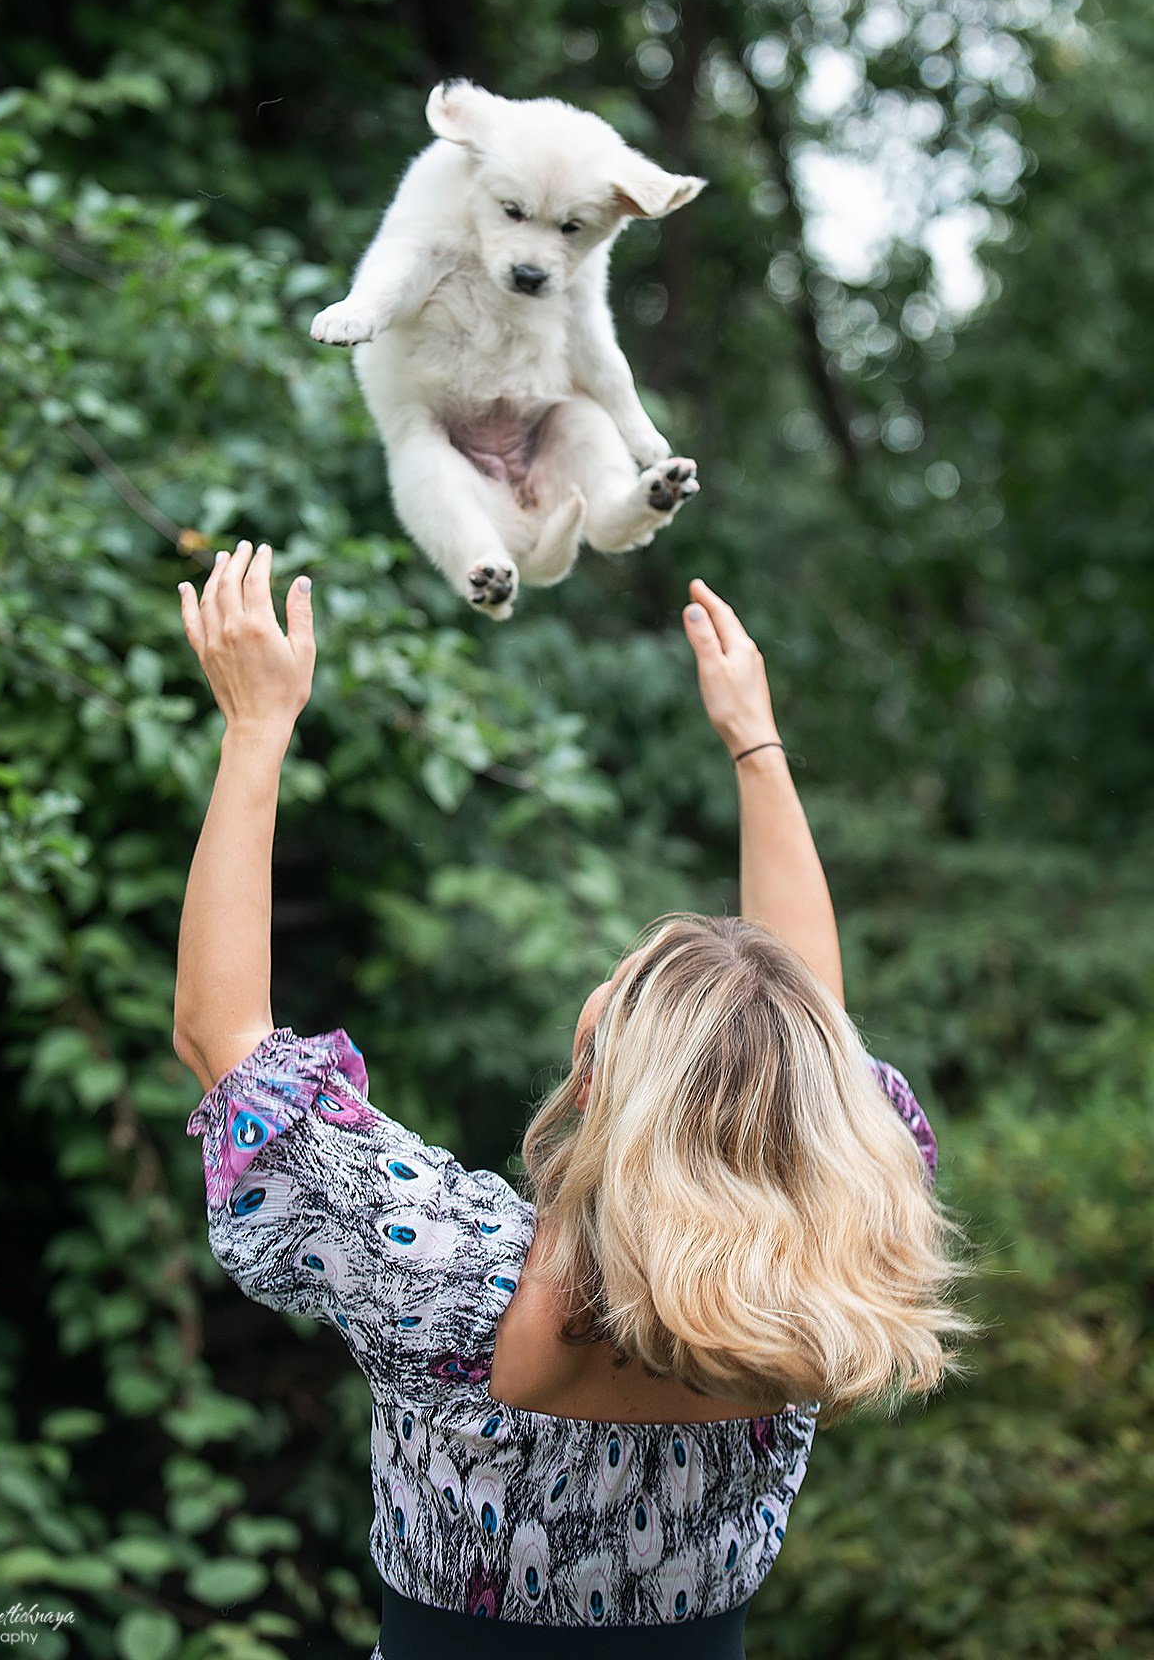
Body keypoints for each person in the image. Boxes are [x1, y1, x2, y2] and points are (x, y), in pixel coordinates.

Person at [173, 542, 974, 1659]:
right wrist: (754, 745)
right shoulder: (814, 1280)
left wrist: (256, 727)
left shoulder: (445, 1276)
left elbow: (222, 1040)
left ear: (601, 1075)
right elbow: (809, 1064)